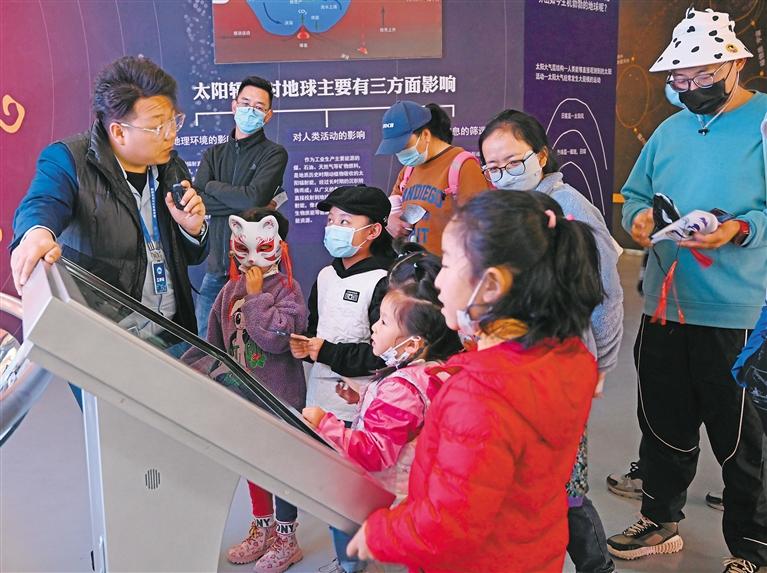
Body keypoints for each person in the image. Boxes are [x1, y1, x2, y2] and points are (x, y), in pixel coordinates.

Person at [346, 190, 604, 572]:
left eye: (449, 264)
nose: (438, 282)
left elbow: (447, 525)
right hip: (532, 552)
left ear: (492, 286)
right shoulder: (569, 358)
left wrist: (379, 534)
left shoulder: (479, 397)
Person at [604, 8, 767, 572]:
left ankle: (752, 547)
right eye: (681, 77)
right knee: (662, 421)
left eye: (704, 76)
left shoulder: (763, 121)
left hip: (739, 310)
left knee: (743, 437)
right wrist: (639, 219)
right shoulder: (670, 130)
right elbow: (635, 194)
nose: (691, 87)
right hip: (665, 305)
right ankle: (660, 519)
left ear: (736, 65)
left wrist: (738, 228)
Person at [10, 55, 208, 406]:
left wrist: (194, 230)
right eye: (158, 126)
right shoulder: (68, 160)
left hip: (171, 333)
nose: (171, 134)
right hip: (106, 342)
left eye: (173, 121)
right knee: (120, 433)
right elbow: (41, 203)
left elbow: (191, 255)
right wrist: (36, 232)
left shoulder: (171, 163)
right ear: (118, 131)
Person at [479, 109, 623, 573]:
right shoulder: (508, 209)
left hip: (560, 371)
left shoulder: (569, 208)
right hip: (514, 370)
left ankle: (596, 565)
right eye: (492, 167)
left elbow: (606, 294)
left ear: (541, 155)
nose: (503, 174)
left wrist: (598, 366)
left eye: (513, 162)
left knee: (564, 485)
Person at [303, 251, 461, 573]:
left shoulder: (400, 387)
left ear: (412, 344)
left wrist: (325, 423)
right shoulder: (429, 370)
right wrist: (360, 397)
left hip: (390, 496)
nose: (374, 327)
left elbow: (375, 452)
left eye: (385, 322)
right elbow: (406, 421)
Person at [183, 208, 306, 573]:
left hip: (279, 400)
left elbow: (276, 339)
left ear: (278, 245)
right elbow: (214, 342)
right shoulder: (227, 291)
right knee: (251, 462)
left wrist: (255, 298)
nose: (251, 258)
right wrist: (189, 371)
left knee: (281, 466)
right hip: (242, 397)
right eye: (243, 248)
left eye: (262, 247)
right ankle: (261, 527)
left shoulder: (288, 289)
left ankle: (286, 537)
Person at [193, 76, 288, 338]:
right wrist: (244, 202)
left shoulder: (274, 153)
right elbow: (198, 200)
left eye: (258, 107)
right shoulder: (213, 154)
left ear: (268, 115)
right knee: (206, 342)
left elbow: (252, 200)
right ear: (234, 106)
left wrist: (211, 186)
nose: (250, 110)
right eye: (245, 103)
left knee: (253, 343)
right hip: (216, 268)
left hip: (257, 272)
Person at [375, 101, 486, 256]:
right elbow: (393, 204)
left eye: (403, 145)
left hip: (447, 265)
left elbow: (480, 227)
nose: (399, 153)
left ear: (425, 135)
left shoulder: (463, 165)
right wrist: (390, 221)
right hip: (413, 265)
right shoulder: (409, 169)